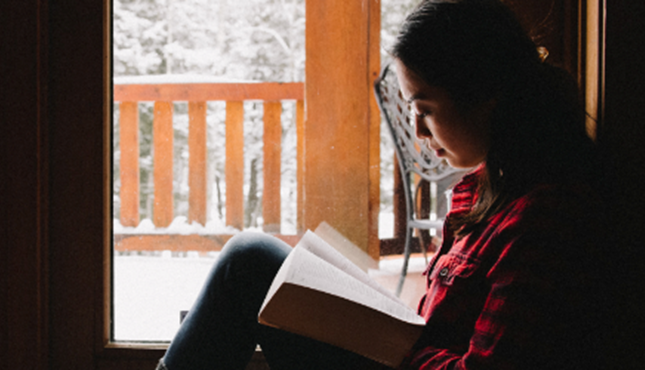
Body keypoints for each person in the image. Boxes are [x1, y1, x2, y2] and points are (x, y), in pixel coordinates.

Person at [157, 0, 606, 368]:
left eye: (425, 109)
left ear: (486, 96)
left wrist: (399, 348)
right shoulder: (490, 191)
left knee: (249, 260)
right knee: (254, 259)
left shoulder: (544, 217)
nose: (418, 131)